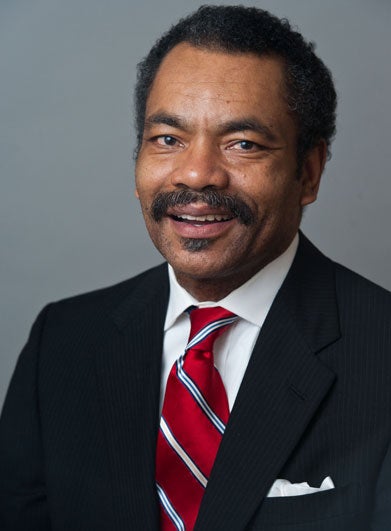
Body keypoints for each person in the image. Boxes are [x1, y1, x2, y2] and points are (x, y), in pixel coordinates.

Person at [1, 5, 390, 530]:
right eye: (168, 139)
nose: (197, 174)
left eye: (243, 144)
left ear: (309, 174)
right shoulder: (64, 342)